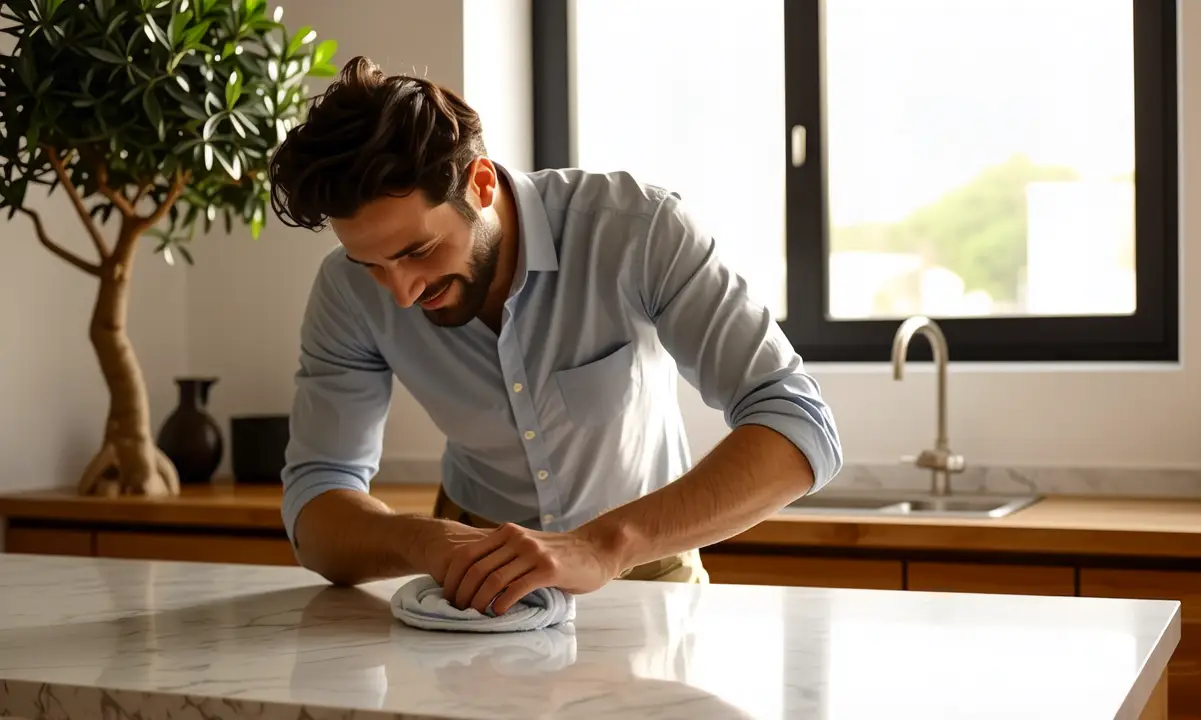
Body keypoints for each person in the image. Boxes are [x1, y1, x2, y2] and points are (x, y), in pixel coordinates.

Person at [267, 55, 843, 615]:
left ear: (481, 184)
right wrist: (424, 542)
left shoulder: (639, 233)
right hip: (471, 570)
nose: (401, 293)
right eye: (371, 263)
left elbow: (798, 423)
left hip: (643, 561)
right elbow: (315, 507)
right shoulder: (346, 292)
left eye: (419, 251)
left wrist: (602, 545)